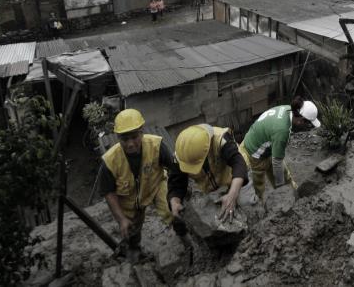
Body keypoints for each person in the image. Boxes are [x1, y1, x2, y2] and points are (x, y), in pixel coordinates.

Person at [98, 109, 181, 262]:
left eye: (134, 137)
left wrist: (177, 195)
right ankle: (135, 249)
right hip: (129, 198)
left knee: (172, 210)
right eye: (125, 139)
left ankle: (184, 235)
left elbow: (174, 169)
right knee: (130, 228)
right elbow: (108, 192)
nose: (130, 144)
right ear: (118, 137)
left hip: (156, 185)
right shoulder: (110, 161)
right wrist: (121, 219)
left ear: (141, 132)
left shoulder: (156, 145)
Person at [240, 97, 320, 200]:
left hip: (258, 141)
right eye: (308, 123)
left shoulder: (288, 109)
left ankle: (296, 197)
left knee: (285, 176)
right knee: (258, 189)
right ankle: (263, 205)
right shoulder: (283, 131)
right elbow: (277, 162)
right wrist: (282, 190)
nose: (308, 126)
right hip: (254, 153)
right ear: (300, 119)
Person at [171, 124, 249, 222]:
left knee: (246, 202)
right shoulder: (182, 156)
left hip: (238, 176)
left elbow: (238, 164)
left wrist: (232, 195)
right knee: (216, 216)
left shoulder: (220, 139)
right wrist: (175, 201)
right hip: (211, 188)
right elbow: (176, 183)